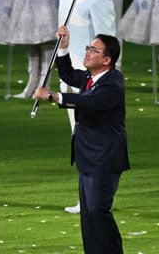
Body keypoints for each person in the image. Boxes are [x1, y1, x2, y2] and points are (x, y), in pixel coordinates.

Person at [33, 26, 129, 254]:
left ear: (107, 59)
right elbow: (67, 74)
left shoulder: (112, 82)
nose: (87, 52)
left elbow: (91, 102)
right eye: (88, 48)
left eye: (93, 50)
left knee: (98, 210)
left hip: (105, 157)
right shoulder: (90, 77)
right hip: (87, 157)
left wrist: (54, 96)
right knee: (88, 216)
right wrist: (63, 47)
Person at [58, 0, 116, 214]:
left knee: (94, 141)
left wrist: (103, 81)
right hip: (71, 77)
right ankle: (85, 197)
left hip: (91, 82)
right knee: (79, 139)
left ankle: (96, 197)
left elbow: (108, 43)